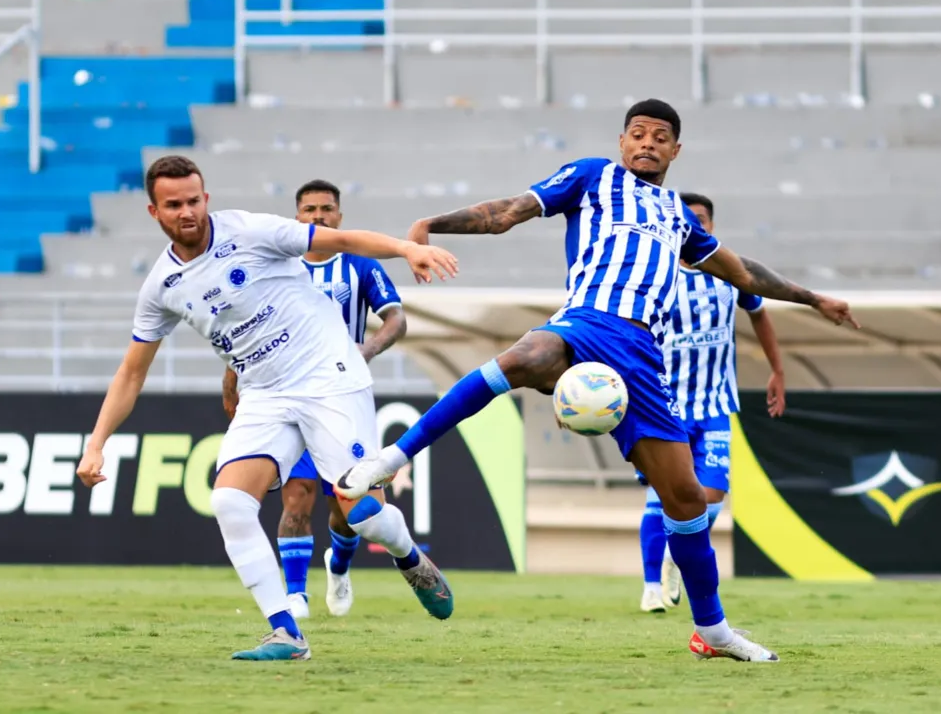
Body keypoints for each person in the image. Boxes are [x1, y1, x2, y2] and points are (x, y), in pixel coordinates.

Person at [337, 99, 860, 663]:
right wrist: (430, 226)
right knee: (526, 353)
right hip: (585, 324)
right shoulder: (592, 177)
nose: (648, 143)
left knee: (685, 501)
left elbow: (741, 272)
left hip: (641, 358)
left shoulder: (678, 219)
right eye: (638, 134)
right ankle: (391, 459)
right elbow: (511, 210)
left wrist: (812, 298)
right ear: (621, 141)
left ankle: (713, 632)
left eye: (660, 137)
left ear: (675, 151)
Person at [74, 155, 456, 662]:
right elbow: (132, 372)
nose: (186, 212)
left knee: (359, 512)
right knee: (230, 503)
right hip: (265, 395)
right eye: (174, 205)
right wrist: (96, 443)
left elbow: (340, 241)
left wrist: (406, 248)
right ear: (154, 212)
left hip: (329, 376)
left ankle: (409, 555)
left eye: (193, 200)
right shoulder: (161, 286)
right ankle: (287, 633)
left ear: (205, 198)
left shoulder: (251, 231)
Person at [222, 179, 408, 620]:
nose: (317, 216)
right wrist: (231, 382)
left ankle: (339, 566)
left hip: (340, 398)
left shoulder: (359, 266)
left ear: (339, 217)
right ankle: (295, 595)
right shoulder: (276, 266)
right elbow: (250, 329)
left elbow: (396, 319)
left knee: (348, 509)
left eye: (326, 209)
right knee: (296, 496)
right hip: (285, 395)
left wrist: (368, 348)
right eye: (309, 209)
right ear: (296, 216)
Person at [638, 192, 787, 614]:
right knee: (660, 497)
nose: (695, 227)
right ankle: (652, 585)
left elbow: (759, 311)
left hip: (716, 403)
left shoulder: (728, 273)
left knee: (713, 495)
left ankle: (673, 555)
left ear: (711, 226)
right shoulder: (653, 271)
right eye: (688, 221)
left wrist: (778, 369)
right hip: (663, 404)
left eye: (701, 221)